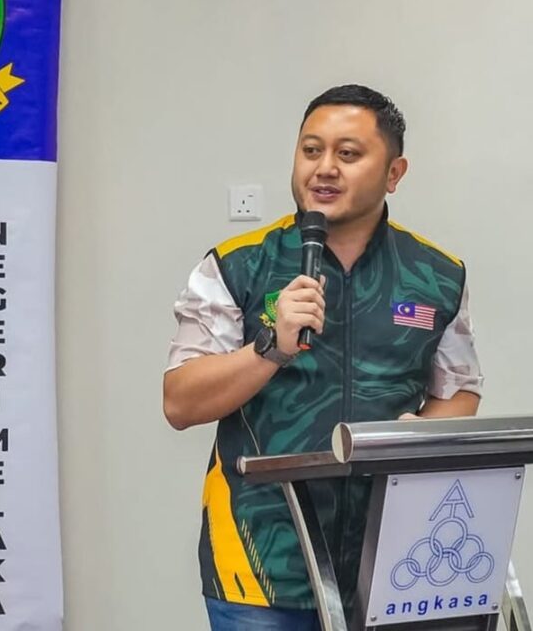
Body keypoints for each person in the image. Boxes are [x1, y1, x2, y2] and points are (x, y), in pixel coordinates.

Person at [163, 84, 483, 631]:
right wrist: (270, 347)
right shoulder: (238, 265)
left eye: (348, 153)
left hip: (394, 560)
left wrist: (418, 436)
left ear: (394, 173)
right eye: (311, 150)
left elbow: (459, 391)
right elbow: (180, 401)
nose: (324, 168)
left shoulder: (436, 275)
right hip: (261, 563)